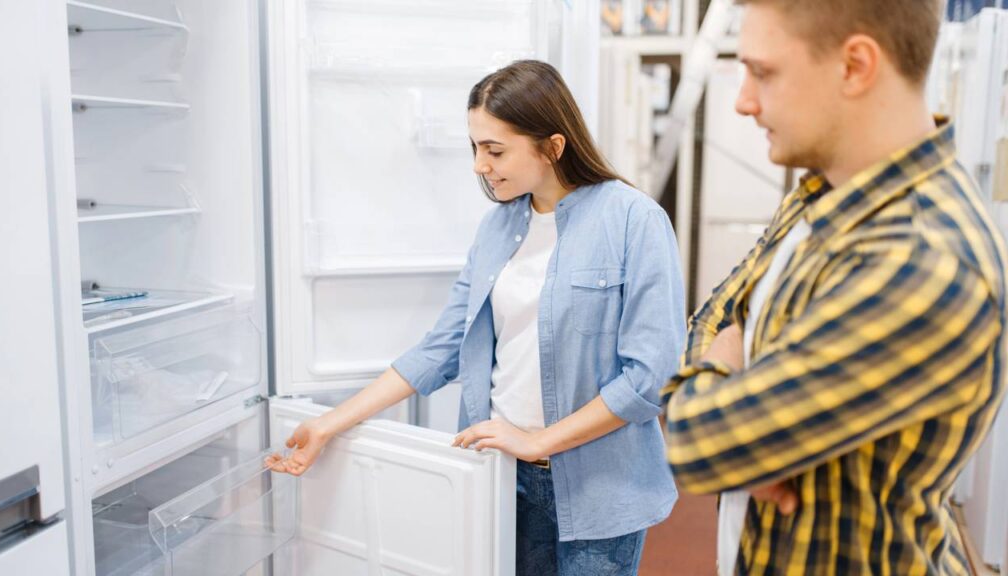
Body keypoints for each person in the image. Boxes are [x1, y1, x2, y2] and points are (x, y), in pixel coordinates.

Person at [268, 59, 687, 576]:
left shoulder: (635, 220)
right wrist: (329, 424)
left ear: (553, 146)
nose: (479, 165)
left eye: (495, 150)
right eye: (475, 147)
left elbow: (649, 378)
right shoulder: (498, 228)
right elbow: (441, 348)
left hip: (602, 485)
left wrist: (537, 441)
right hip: (500, 476)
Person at [660, 0, 1008, 574]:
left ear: (855, 66)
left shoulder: (922, 257)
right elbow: (716, 313)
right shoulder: (824, 188)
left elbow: (702, 444)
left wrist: (726, 387)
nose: (744, 100)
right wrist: (738, 387)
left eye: (763, 72)